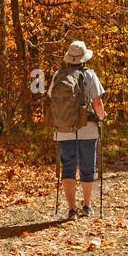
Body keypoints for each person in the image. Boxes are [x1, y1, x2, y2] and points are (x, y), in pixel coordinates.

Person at [47, 40, 106, 220]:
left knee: (68, 167)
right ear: (83, 59)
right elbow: (97, 103)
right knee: (87, 166)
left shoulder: (58, 75)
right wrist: (102, 116)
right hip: (87, 128)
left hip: (63, 129)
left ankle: (71, 209)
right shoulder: (90, 75)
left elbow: (51, 99)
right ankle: (86, 206)